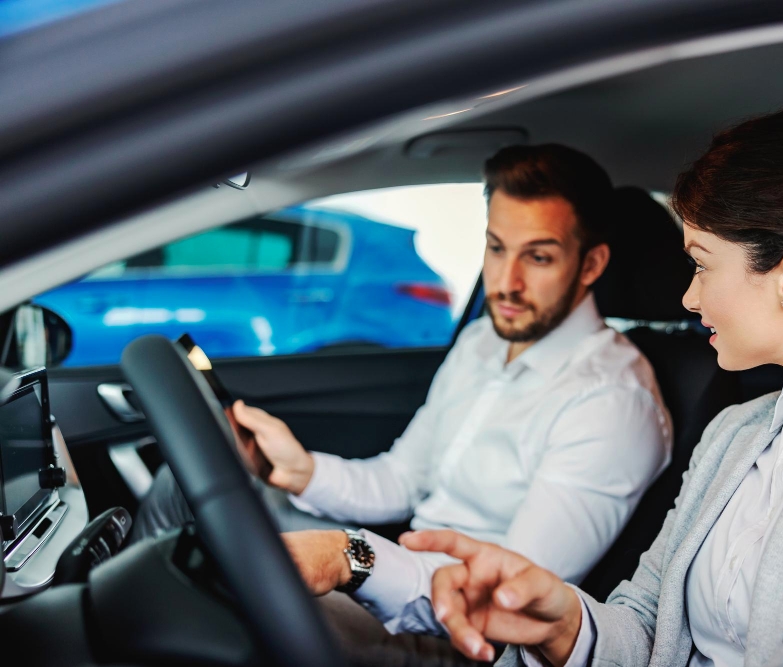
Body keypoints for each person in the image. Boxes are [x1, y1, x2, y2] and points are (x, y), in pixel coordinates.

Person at [402, 104, 783, 666]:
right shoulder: (734, 434)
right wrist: (565, 624)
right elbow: (649, 624)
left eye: (702, 264)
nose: (688, 297)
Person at [132, 144, 672, 641]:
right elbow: (403, 479)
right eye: (496, 248)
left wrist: (351, 557)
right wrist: (301, 472)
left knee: (224, 603)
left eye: (538, 257)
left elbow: (508, 595)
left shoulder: (612, 403)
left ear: (591, 264)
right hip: (403, 567)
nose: (506, 282)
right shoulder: (483, 341)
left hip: (458, 631)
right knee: (181, 484)